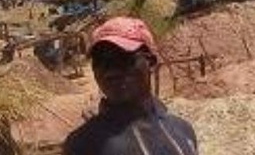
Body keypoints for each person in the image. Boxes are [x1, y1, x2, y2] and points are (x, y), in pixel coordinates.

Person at [63, 17, 198, 155]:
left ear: (151, 63)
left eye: (123, 58)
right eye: (100, 61)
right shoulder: (83, 145)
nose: (111, 71)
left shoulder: (183, 131)